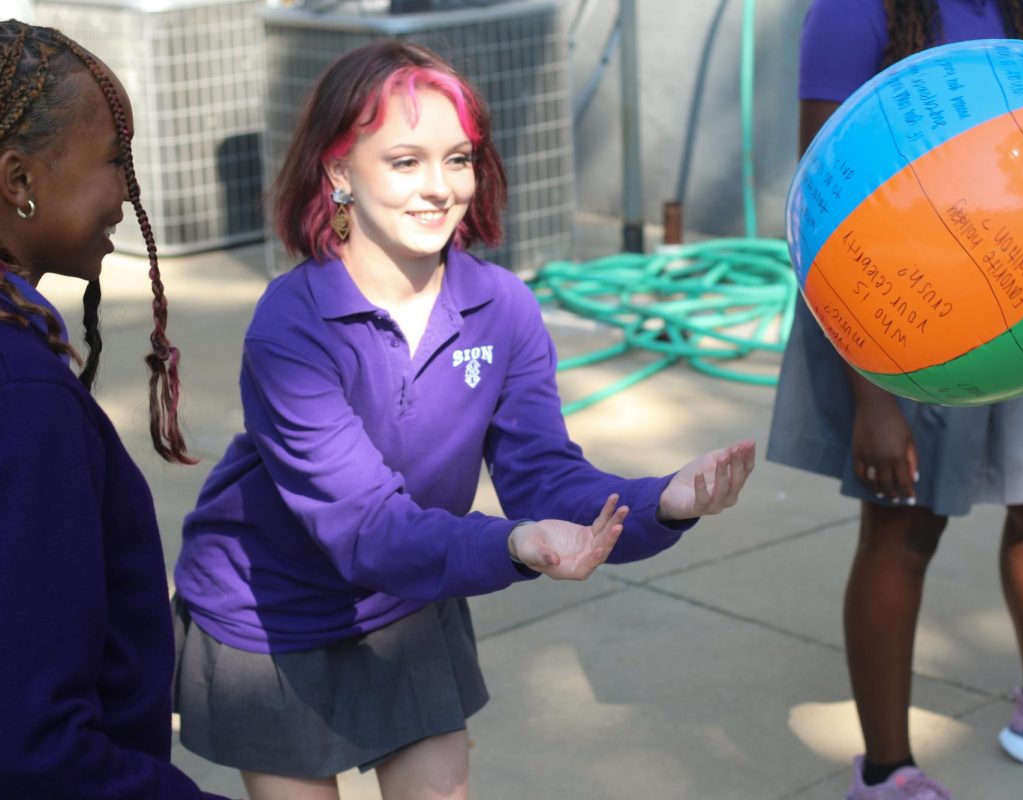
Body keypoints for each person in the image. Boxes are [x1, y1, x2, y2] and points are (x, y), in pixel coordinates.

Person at [171, 40, 755, 800]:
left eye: (458, 159)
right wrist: (513, 544)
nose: (440, 187)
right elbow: (365, 530)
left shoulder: (502, 306)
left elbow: (543, 476)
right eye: (405, 161)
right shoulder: (292, 324)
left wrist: (664, 503)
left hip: (411, 599)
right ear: (339, 172)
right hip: (275, 615)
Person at [768, 2, 1023, 798]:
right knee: (903, 526)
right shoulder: (855, 12)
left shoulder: (1012, 1)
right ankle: (885, 774)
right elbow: (827, 205)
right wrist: (876, 397)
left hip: (1017, 301)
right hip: (904, 315)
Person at [0, 20, 229, 799]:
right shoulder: (24, 397)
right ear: (19, 179)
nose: (130, 194)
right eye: (114, 162)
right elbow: (35, 746)